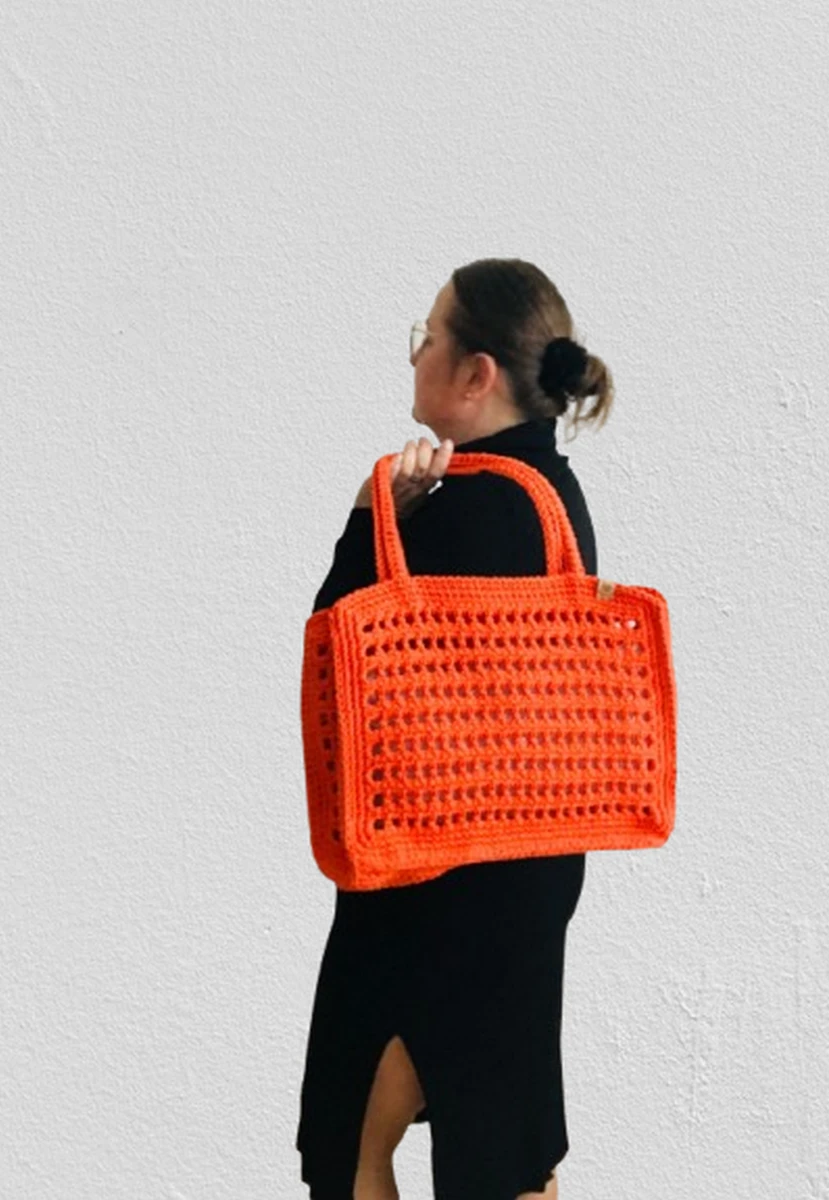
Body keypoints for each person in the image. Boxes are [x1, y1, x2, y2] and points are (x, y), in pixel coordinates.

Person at [296, 257, 614, 1199]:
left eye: (427, 337)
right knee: (505, 1151)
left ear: (477, 373)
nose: (413, 356)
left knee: (350, 1151)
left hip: (427, 882)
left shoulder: (461, 512)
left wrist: (370, 524)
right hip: (528, 871)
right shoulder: (554, 500)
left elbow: (339, 663)